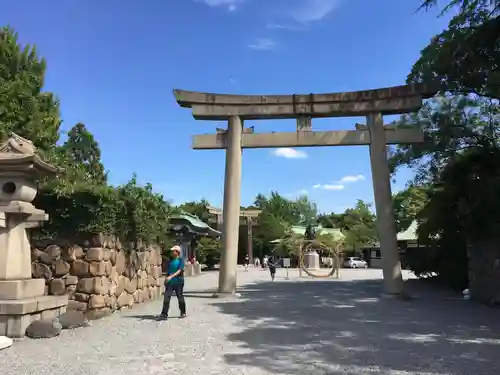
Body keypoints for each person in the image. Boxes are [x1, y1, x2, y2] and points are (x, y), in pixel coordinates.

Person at [158, 245, 186, 320]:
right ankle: (164, 314)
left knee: (180, 298)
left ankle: (183, 312)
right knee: (166, 298)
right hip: (170, 282)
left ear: (177, 252)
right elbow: (168, 271)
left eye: (173, 251)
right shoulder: (170, 261)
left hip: (179, 281)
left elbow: (180, 270)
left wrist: (171, 277)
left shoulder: (181, 260)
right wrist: (166, 279)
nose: (172, 252)